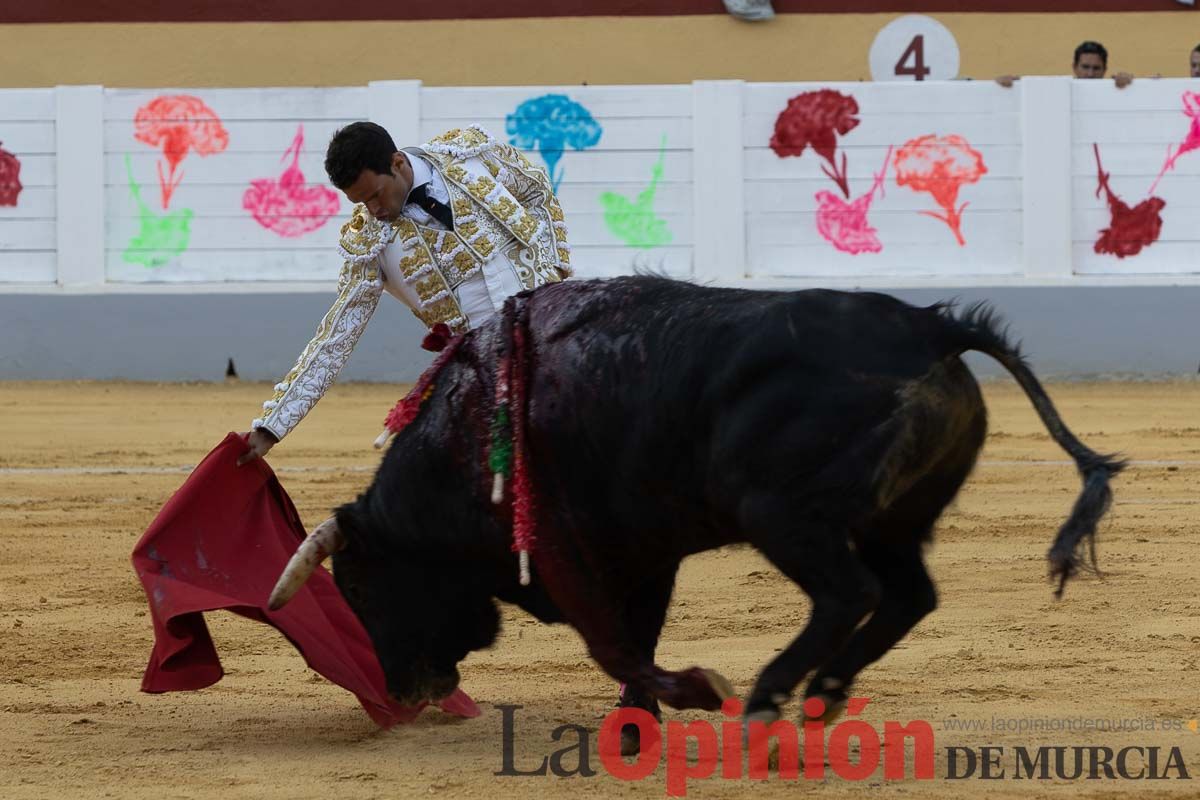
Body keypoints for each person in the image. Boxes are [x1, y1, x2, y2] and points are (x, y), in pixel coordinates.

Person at [237, 122, 571, 465]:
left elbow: (536, 192)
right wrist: (272, 426)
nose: (373, 210)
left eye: (375, 195)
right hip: (488, 372)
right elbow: (337, 336)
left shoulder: (470, 155)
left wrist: (554, 271)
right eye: (361, 202)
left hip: (554, 330)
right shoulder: (369, 243)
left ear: (397, 163)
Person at [995, 40, 1133, 88]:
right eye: (1085, 67)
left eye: (1096, 68)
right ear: (1074, 67)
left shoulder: (1114, 88)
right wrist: (1007, 88)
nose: (1090, 74)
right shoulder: (1060, 89)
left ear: (1105, 70)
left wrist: (1132, 86)